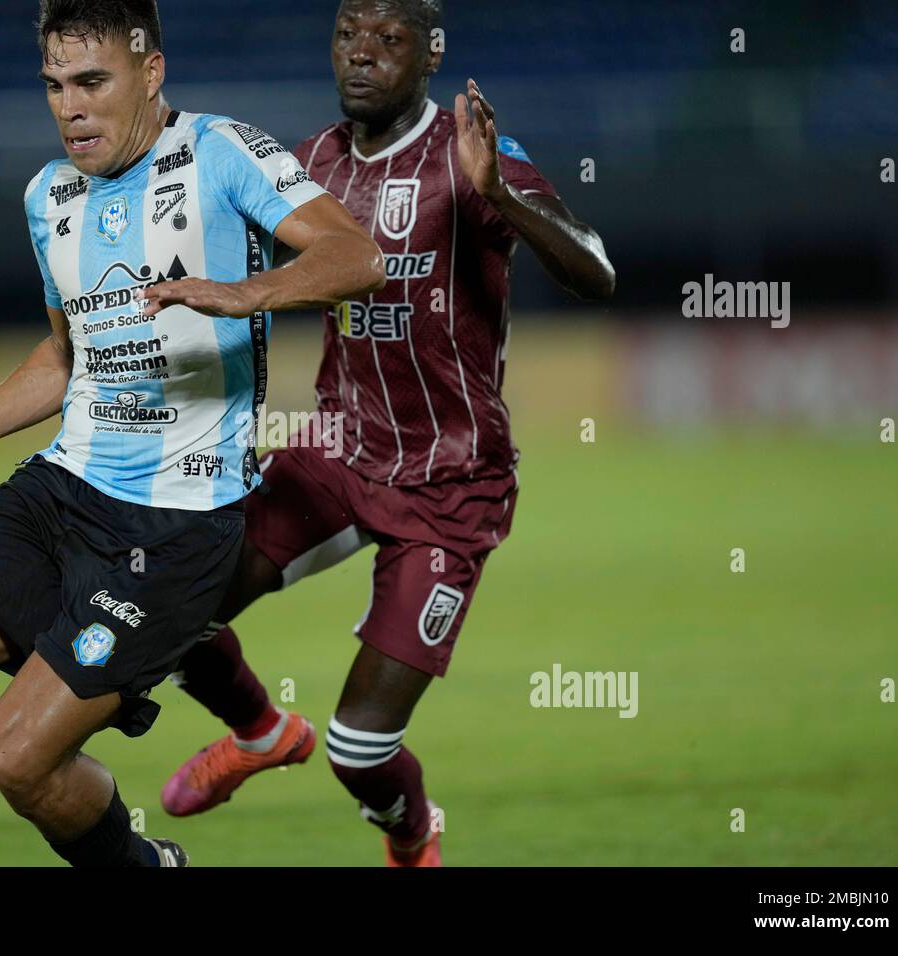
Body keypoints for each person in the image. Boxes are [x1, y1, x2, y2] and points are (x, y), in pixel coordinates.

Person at [0, 0, 384, 868]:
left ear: (150, 74)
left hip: (177, 526)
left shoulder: (223, 152)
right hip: (61, 492)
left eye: (91, 82)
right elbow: (66, 355)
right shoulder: (49, 195)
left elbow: (359, 257)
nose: (69, 106)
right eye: (54, 86)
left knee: (17, 755)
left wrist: (242, 293)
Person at [160, 0, 615, 866]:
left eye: (389, 39)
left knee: (358, 751)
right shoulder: (313, 163)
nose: (361, 55)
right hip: (335, 449)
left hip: (450, 482)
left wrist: (499, 199)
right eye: (347, 36)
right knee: (172, 603)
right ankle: (258, 733)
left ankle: (412, 833)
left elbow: (597, 269)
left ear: (431, 53)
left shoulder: (470, 157)